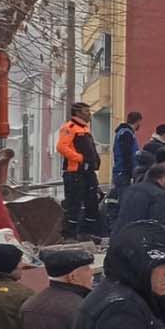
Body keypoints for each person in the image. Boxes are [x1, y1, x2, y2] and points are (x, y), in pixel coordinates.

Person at [56, 102, 103, 239]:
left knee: (92, 203)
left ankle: (87, 233)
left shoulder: (85, 129)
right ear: (78, 113)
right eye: (86, 111)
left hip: (88, 172)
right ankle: (70, 235)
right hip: (75, 172)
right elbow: (61, 147)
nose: (89, 114)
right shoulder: (70, 128)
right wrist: (80, 158)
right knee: (74, 205)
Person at [112, 111, 143, 195]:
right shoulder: (126, 133)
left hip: (121, 171)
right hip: (123, 171)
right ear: (138, 121)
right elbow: (127, 154)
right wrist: (131, 171)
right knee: (124, 197)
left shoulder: (123, 132)